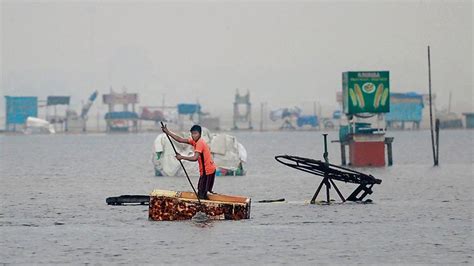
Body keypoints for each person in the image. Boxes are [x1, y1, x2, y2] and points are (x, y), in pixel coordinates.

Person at [161, 124, 216, 199]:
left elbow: (195, 158)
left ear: (200, 134)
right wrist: (168, 132)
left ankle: (204, 205)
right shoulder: (194, 141)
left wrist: (182, 157)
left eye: (195, 133)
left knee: (202, 191)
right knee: (201, 190)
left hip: (208, 170)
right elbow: (180, 140)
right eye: (192, 134)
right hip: (204, 171)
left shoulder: (200, 143)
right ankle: (203, 201)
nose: (194, 136)